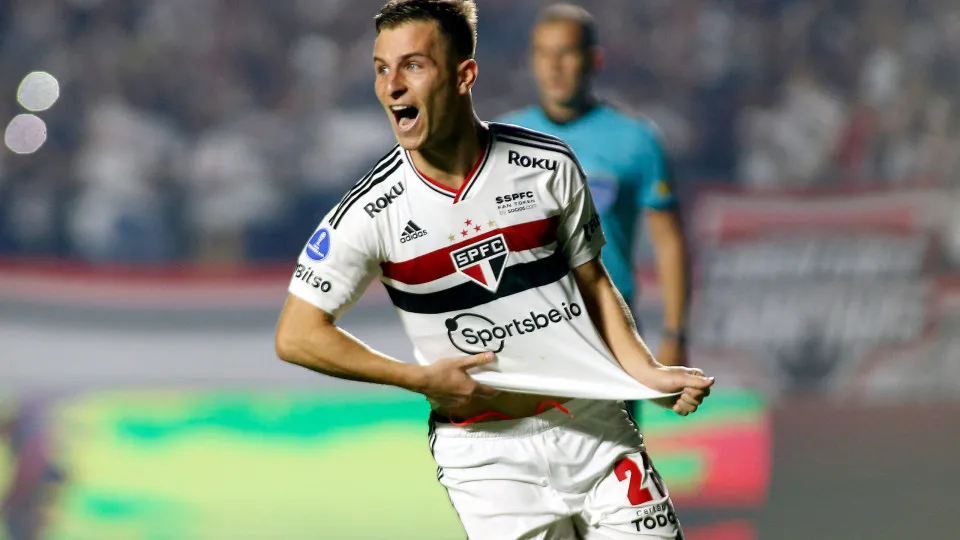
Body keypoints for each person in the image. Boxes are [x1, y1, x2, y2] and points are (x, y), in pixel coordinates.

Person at [275, 1, 713, 538]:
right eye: (381, 68)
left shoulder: (548, 164)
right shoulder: (371, 211)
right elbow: (296, 335)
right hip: (488, 460)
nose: (392, 86)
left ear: (465, 75)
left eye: (413, 65)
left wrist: (647, 371)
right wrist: (418, 379)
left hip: (594, 426)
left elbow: (594, 283)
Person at [496, 4, 691, 423]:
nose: (554, 66)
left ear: (594, 60)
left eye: (566, 52)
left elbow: (669, 242)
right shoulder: (499, 140)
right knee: (529, 457)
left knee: (612, 455)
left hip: (608, 327)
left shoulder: (636, 140)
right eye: (544, 53)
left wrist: (675, 332)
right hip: (527, 330)